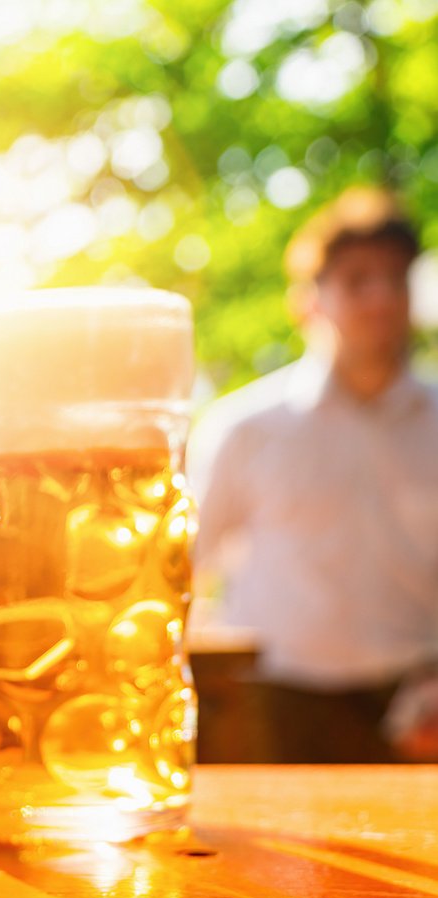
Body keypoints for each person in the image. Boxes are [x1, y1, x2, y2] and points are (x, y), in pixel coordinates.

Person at [192, 187, 438, 762]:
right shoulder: (245, 428)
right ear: (309, 302)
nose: (380, 299)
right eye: (356, 281)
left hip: (420, 709)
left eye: (395, 280)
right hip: (274, 708)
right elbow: (187, 570)